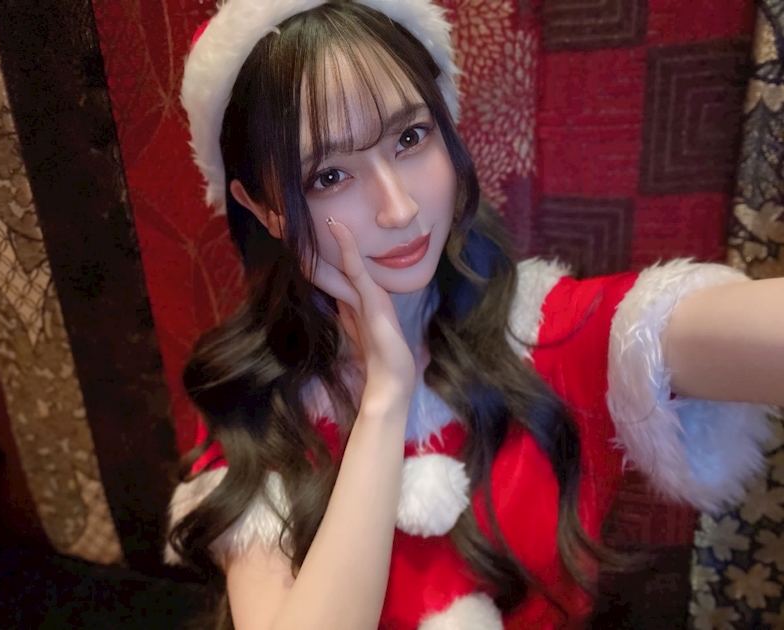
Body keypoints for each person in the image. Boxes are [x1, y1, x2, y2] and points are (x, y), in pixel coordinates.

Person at [164, 1, 784, 628]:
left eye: (410, 138)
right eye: (328, 176)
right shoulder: (258, 409)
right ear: (264, 208)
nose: (399, 208)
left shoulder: (552, 333)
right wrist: (385, 398)